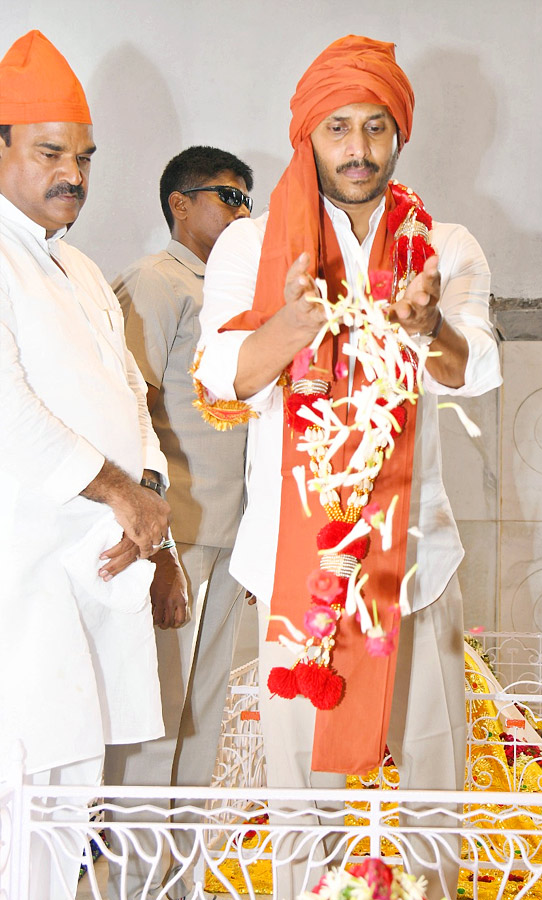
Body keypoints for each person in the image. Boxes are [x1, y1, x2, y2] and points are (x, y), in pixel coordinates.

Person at [196, 35, 502, 900]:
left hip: (417, 568)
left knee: (436, 798)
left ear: (399, 134)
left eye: (375, 127)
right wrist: (290, 327)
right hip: (296, 574)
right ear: (307, 136)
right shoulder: (249, 246)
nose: (358, 149)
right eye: (338, 128)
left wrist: (426, 326)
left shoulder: (444, 243)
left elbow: (473, 368)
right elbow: (224, 378)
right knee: (303, 809)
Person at [0, 30, 177, 900]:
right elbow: (8, 413)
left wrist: (154, 519)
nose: (73, 171)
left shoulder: (75, 264)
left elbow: (132, 404)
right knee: (18, 798)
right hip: (22, 588)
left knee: (71, 801)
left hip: (98, 576)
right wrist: (117, 494)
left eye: (84, 155)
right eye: (48, 151)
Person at [106, 146, 253, 900]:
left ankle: (181, 882)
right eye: (227, 197)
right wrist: (157, 548)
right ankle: (127, 880)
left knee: (204, 719)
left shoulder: (237, 296)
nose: (241, 213)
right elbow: (130, 418)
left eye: (246, 201)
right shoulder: (155, 283)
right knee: (155, 718)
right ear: (179, 204)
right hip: (177, 538)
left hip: (231, 543)